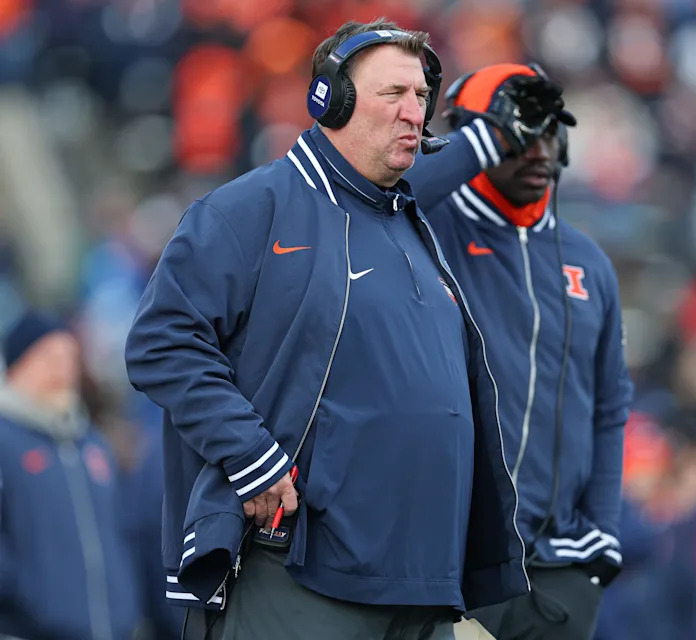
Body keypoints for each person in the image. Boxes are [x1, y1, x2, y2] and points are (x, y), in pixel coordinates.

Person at [125, 19, 527, 640]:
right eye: (392, 94)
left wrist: (495, 134)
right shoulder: (252, 207)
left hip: (421, 583)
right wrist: (250, 456)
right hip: (297, 575)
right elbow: (162, 340)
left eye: (421, 96)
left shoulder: (408, 220)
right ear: (330, 100)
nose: (412, 112)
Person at [405, 63, 634, 639]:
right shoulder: (422, 226)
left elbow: (609, 408)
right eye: (520, 131)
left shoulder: (589, 262)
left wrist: (600, 536)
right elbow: (382, 192)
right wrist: (477, 140)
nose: (539, 149)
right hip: (449, 557)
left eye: (551, 130)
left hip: (558, 568)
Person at [0, 310, 140, 639]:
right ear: (18, 363)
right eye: (49, 355)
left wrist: (127, 605)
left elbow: (122, 533)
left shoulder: (93, 444)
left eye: (69, 356)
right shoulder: (6, 439)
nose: (62, 367)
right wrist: (23, 602)